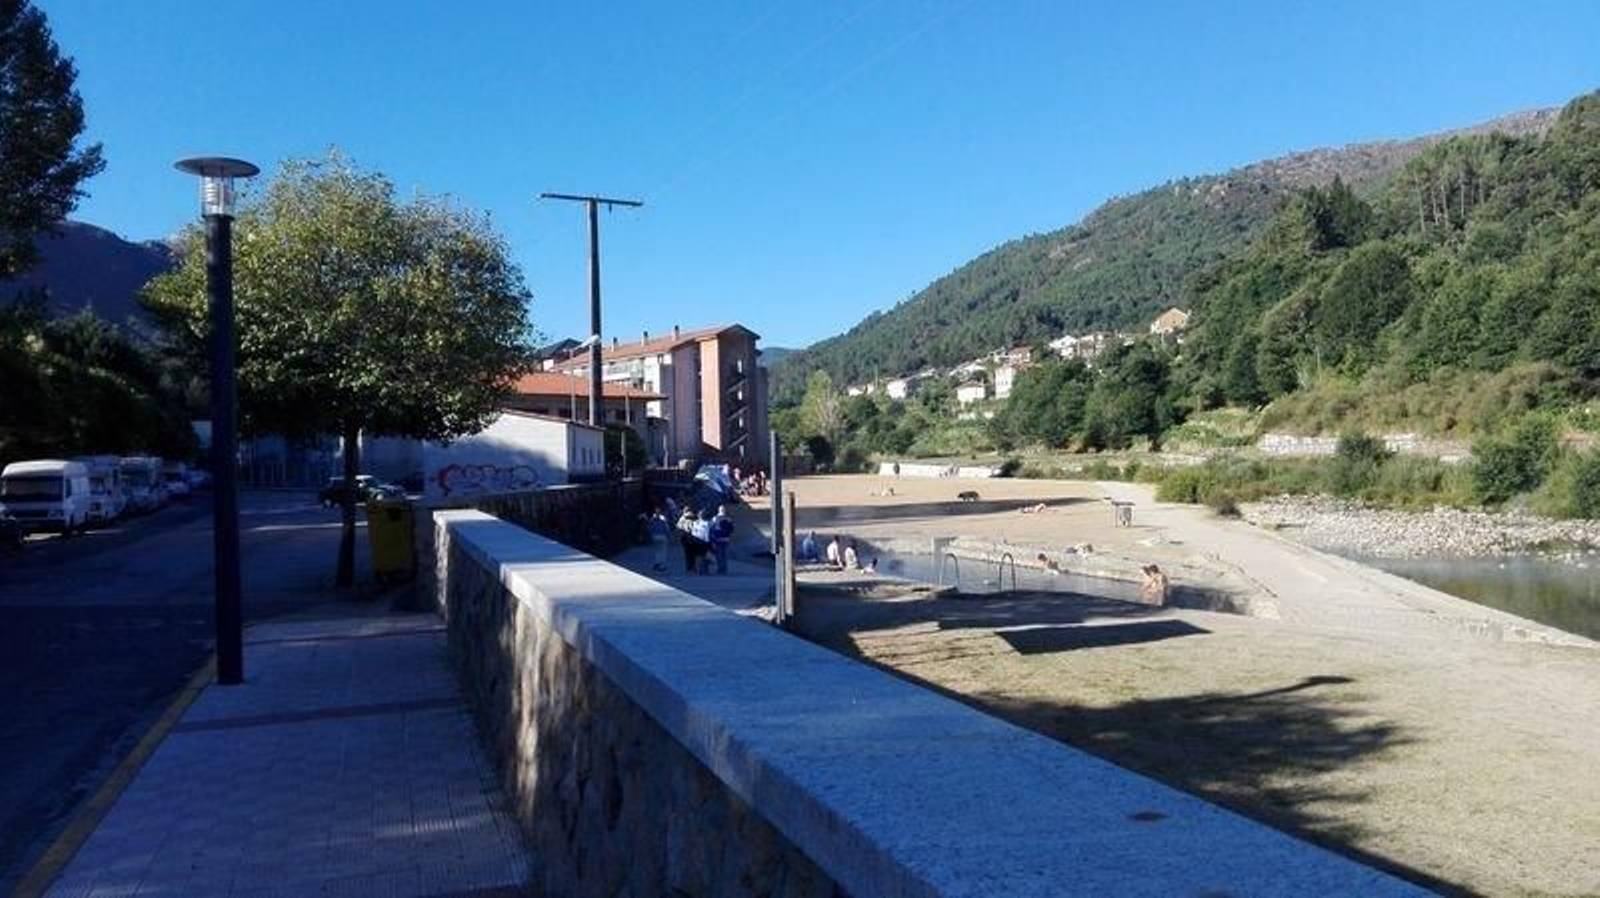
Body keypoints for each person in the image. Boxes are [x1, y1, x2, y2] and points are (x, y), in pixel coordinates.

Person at [709, 505, 734, 574]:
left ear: (718, 510)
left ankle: (720, 569)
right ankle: (724, 569)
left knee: (718, 555)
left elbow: (711, 529)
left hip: (717, 539)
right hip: (726, 539)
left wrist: (712, 539)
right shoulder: (729, 519)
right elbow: (732, 530)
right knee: (724, 555)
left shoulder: (715, 518)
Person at [678, 507, 703, 574]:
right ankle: (695, 568)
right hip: (694, 538)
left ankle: (689, 569)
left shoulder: (682, 518)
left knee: (688, 555)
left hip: (685, 539)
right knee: (694, 554)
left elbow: (679, 528)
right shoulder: (695, 518)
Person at [646, 507, 670, 572]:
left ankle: (657, 563)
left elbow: (649, 527)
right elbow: (667, 527)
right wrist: (668, 535)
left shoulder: (652, 519)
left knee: (657, 550)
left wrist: (651, 534)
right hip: (662, 536)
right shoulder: (663, 518)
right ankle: (662, 565)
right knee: (663, 551)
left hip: (655, 536)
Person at [691, 509, 714, 574]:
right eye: (701, 514)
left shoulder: (704, 523)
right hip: (703, 541)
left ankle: (702, 570)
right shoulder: (706, 523)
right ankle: (702, 570)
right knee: (702, 556)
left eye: (701, 515)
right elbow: (707, 532)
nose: (701, 516)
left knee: (701, 556)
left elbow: (694, 532)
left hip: (700, 541)